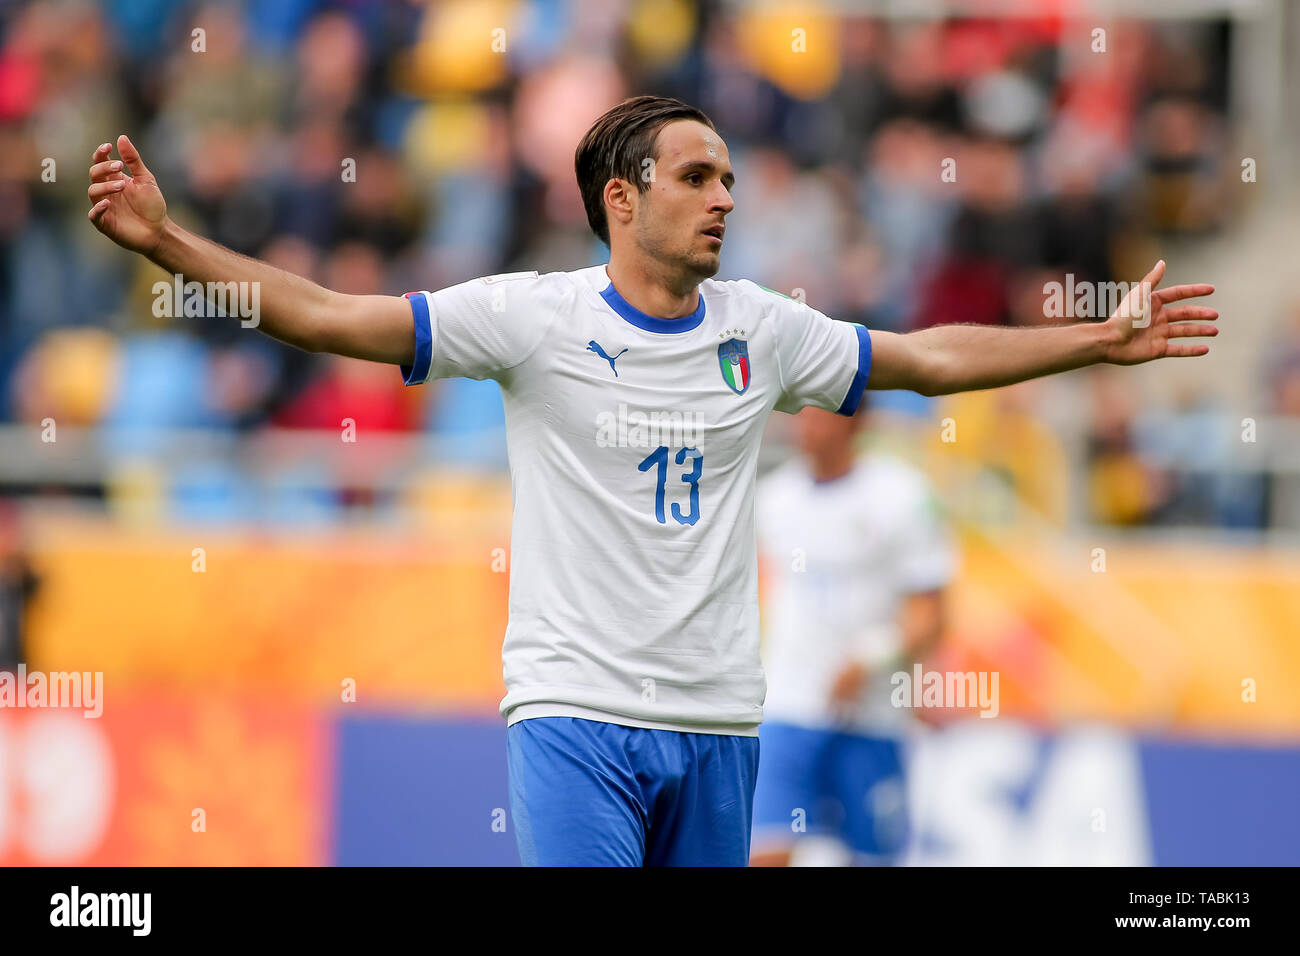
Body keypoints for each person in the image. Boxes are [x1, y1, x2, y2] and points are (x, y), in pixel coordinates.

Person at [86, 95, 1218, 866]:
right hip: (575, 712)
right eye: (695, 176)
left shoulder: (762, 330)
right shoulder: (533, 318)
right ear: (621, 199)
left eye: (727, 176)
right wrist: (170, 243)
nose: (724, 195)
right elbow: (334, 316)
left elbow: (922, 358)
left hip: (720, 722)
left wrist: (1093, 340)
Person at [750, 403, 953, 866]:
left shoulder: (902, 496)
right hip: (788, 706)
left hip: (872, 718)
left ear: (858, 421)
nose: (808, 425)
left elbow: (931, 613)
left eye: (822, 414)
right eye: (801, 413)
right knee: (765, 850)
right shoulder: (773, 498)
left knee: (870, 856)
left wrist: (868, 657)